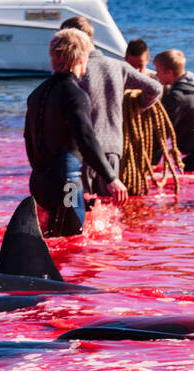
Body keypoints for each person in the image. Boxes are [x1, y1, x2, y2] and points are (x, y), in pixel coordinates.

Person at [24, 29, 128, 236]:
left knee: (51, 241)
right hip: (68, 185)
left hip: (39, 182)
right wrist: (111, 178)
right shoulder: (75, 94)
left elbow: (29, 139)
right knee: (73, 242)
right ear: (81, 57)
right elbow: (86, 138)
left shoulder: (37, 93)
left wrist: (41, 173)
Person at [60, 16, 162, 195]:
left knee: (80, 209)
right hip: (113, 150)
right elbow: (155, 88)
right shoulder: (117, 66)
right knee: (107, 209)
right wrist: (140, 105)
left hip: (84, 152)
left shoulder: (74, 71)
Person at [152, 49, 194, 172]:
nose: (156, 75)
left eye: (158, 71)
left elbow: (163, 131)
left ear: (169, 73)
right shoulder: (192, 87)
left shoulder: (177, 96)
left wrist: (151, 163)